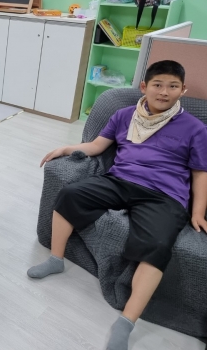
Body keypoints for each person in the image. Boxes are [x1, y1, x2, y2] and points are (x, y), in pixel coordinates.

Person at [28, 60, 207, 350]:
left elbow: (200, 172)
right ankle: (56, 259)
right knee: (70, 194)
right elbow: (97, 146)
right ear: (144, 87)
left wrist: (197, 212)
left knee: (157, 245)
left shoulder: (195, 128)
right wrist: (66, 148)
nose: (164, 92)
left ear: (183, 90)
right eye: (158, 84)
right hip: (120, 180)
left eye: (173, 86)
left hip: (164, 195)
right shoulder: (125, 115)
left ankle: (126, 321)